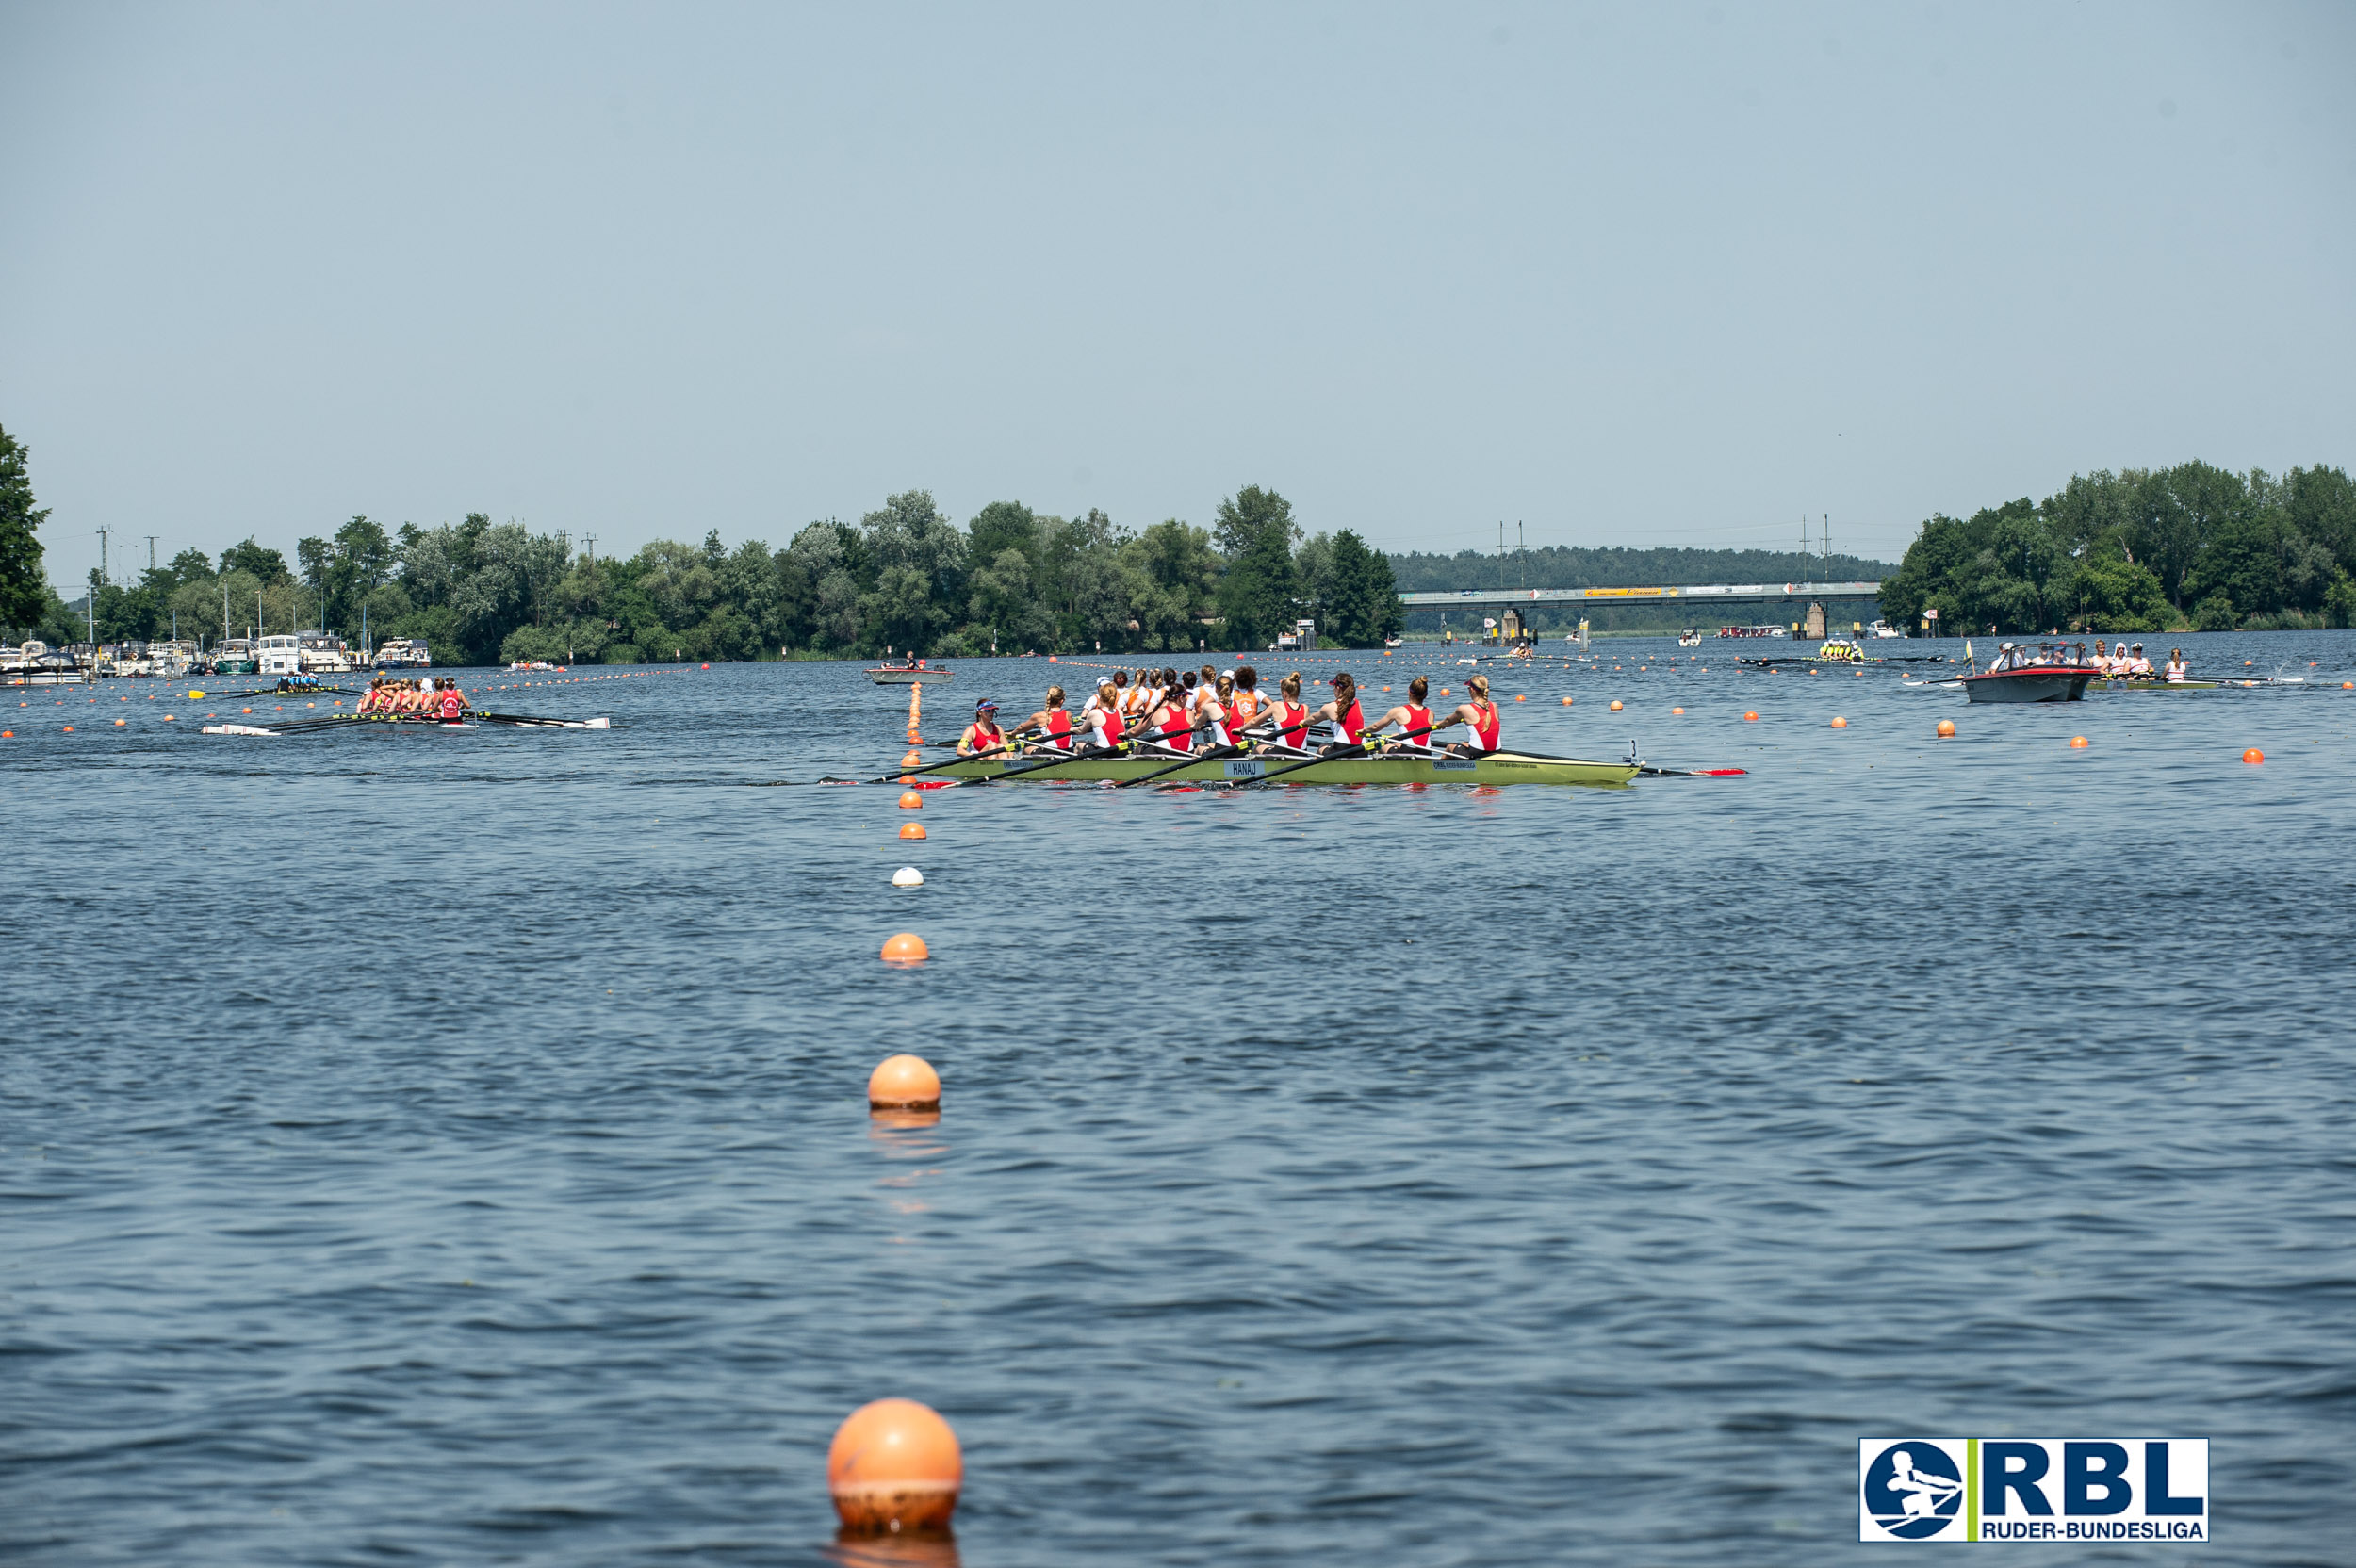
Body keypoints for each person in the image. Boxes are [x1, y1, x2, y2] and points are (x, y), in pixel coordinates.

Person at [1429, 673, 1504, 754]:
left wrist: (1440, 724)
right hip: (1497, 751)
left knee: (1449, 747)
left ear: (1472, 690)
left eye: (1468, 688)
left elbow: (1448, 721)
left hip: (1477, 752)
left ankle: (1435, 766)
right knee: (1465, 744)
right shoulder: (1494, 706)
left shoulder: (1464, 709)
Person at [1363, 676, 1436, 750]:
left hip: (1407, 753)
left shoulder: (1398, 711)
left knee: (1382, 745)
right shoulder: (1431, 713)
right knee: (1397, 740)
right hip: (1426, 753)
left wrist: (1364, 731)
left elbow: (1375, 727)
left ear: (1409, 692)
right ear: (1426, 695)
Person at [1310, 672, 1366, 753]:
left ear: (1338, 688)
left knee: (1322, 746)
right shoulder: (1358, 703)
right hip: (1361, 750)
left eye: (1334, 687)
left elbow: (1313, 719)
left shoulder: (1330, 707)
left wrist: (1303, 722)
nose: (1333, 689)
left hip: (1341, 750)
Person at [1256, 673, 1313, 751]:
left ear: (1284, 693)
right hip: (1301, 754)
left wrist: (1242, 729)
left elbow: (1255, 721)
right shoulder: (1306, 708)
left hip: (1281, 753)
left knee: (1258, 746)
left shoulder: (1277, 706)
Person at [1019, 686, 1075, 753]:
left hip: (1050, 752)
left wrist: (1013, 733)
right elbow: (1059, 730)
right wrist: (1043, 736)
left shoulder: (1039, 716)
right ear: (1061, 701)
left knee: (1027, 748)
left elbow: (1022, 728)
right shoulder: (1068, 714)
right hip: (1069, 751)